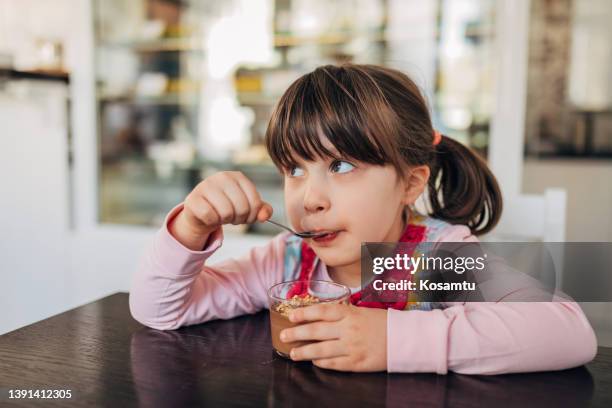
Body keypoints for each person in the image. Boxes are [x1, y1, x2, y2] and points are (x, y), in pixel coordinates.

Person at [129, 64, 597, 374]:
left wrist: (396, 341)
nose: (309, 198)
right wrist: (190, 226)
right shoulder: (288, 260)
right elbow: (160, 311)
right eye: (294, 169)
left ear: (410, 185)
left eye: (342, 166)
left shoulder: (435, 262)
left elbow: (569, 333)